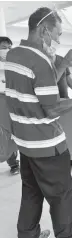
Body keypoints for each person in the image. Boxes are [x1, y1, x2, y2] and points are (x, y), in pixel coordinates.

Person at [4, 7, 72, 238]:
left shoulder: (14, 55)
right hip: (47, 144)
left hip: (25, 144)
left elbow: (37, 89)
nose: (56, 41)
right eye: (56, 35)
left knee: (31, 192)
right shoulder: (40, 61)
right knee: (62, 196)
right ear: (44, 30)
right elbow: (53, 108)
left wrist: (65, 62)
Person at [0, 36, 20, 175]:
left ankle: (17, 163)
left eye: (9, 47)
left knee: (15, 132)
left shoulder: (15, 64)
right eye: (3, 47)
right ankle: (11, 161)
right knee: (4, 134)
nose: (7, 50)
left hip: (14, 103)